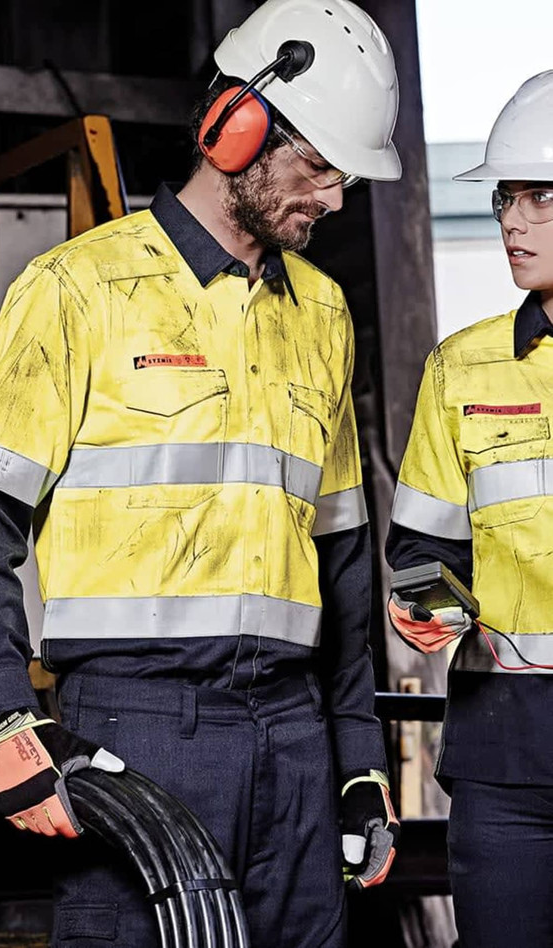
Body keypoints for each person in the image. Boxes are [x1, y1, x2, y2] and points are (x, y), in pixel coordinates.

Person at [0, 1, 401, 945]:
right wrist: (10, 719)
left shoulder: (322, 313)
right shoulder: (77, 290)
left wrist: (359, 757)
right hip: (136, 730)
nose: (335, 199)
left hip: (295, 736)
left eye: (346, 177)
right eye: (320, 168)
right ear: (238, 129)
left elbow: (343, 562)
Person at [385, 70, 553, 948]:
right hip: (504, 755)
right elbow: (421, 550)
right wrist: (428, 608)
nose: (512, 222)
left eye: (540, 196)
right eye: (504, 199)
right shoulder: (462, 368)